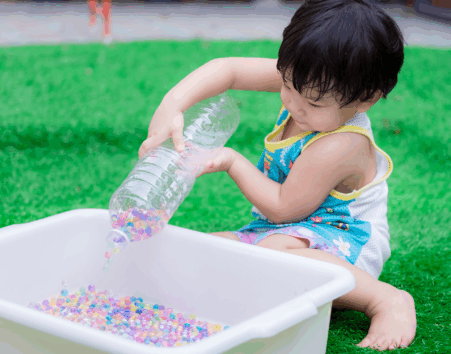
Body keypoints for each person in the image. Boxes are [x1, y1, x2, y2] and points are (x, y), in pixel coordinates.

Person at [138, 0, 417, 350]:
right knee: (203, 252)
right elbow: (227, 69)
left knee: (275, 252)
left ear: (366, 99)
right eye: (286, 84)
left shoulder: (341, 144)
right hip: (282, 234)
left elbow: (283, 208)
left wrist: (230, 161)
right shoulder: (308, 79)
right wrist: (172, 104)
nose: (293, 103)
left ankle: (383, 299)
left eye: (314, 104)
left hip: (345, 244)